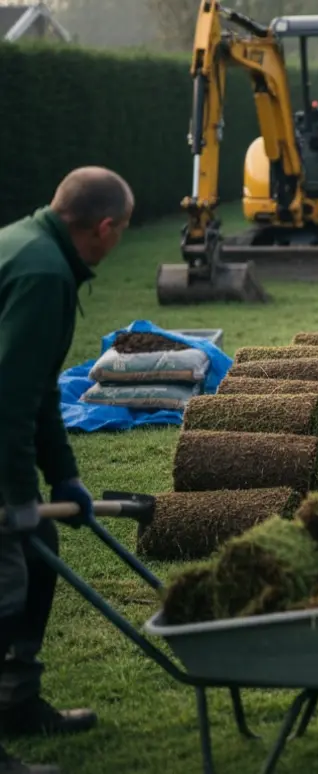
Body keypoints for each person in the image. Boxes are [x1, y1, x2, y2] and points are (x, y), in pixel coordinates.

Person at [0, 167, 134, 774]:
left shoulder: (29, 246)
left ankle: (16, 703)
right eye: (123, 229)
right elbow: (9, 402)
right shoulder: (42, 274)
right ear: (105, 227)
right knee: (6, 583)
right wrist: (18, 497)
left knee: (38, 552)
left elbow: (39, 390)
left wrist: (64, 478)